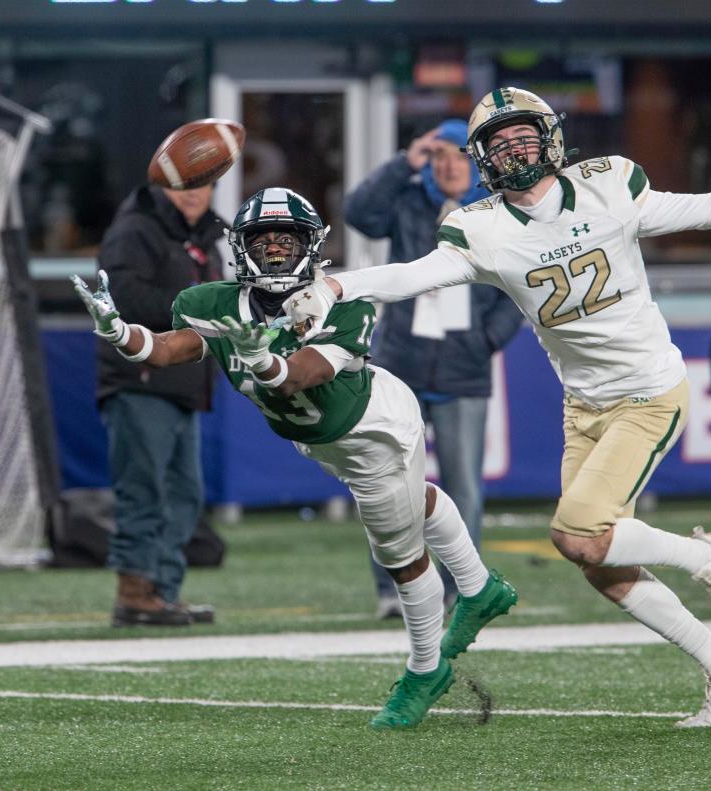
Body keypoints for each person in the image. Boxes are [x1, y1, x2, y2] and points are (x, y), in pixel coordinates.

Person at [283, 86, 711, 728]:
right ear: (483, 158)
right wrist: (338, 283)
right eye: (499, 143)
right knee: (597, 563)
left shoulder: (608, 185)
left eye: (523, 136)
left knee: (577, 532)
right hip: (584, 404)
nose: (514, 150)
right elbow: (412, 274)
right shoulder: (479, 226)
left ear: (551, 138)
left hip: (648, 390)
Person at [72, 187, 518, 730]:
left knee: (400, 557)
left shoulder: (342, 303)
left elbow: (302, 376)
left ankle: (426, 669)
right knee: (415, 501)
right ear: (241, 248)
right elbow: (172, 348)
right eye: (264, 240)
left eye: (288, 239)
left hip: (374, 431)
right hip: (322, 440)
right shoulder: (211, 302)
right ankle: (478, 586)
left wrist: (262, 359)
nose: (277, 250)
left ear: (312, 246)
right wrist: (123, 335)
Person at [344, 119, 523, 618]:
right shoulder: (406, 200)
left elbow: (519, 283)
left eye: (459, 155)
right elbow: (359, 212)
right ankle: (391, 589)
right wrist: (406, 159)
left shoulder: (497, 213)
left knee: (464, 486)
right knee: (389, 478)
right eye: (439, 155)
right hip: (401, 362)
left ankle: (462, 588)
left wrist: (487, 339)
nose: (449, 165)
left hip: (464, 366)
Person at [92, 180, 224, 627]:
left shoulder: (204, 236)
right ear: (162, 185)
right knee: (143, 490)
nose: (194, 193)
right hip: (140, 381)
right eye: (182, 184)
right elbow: (121, 299)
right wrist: (201, 305)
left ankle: (163, 592)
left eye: (203, 183)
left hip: (183, 383)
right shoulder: (134, 230)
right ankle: (134, 593)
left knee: (185, 496)